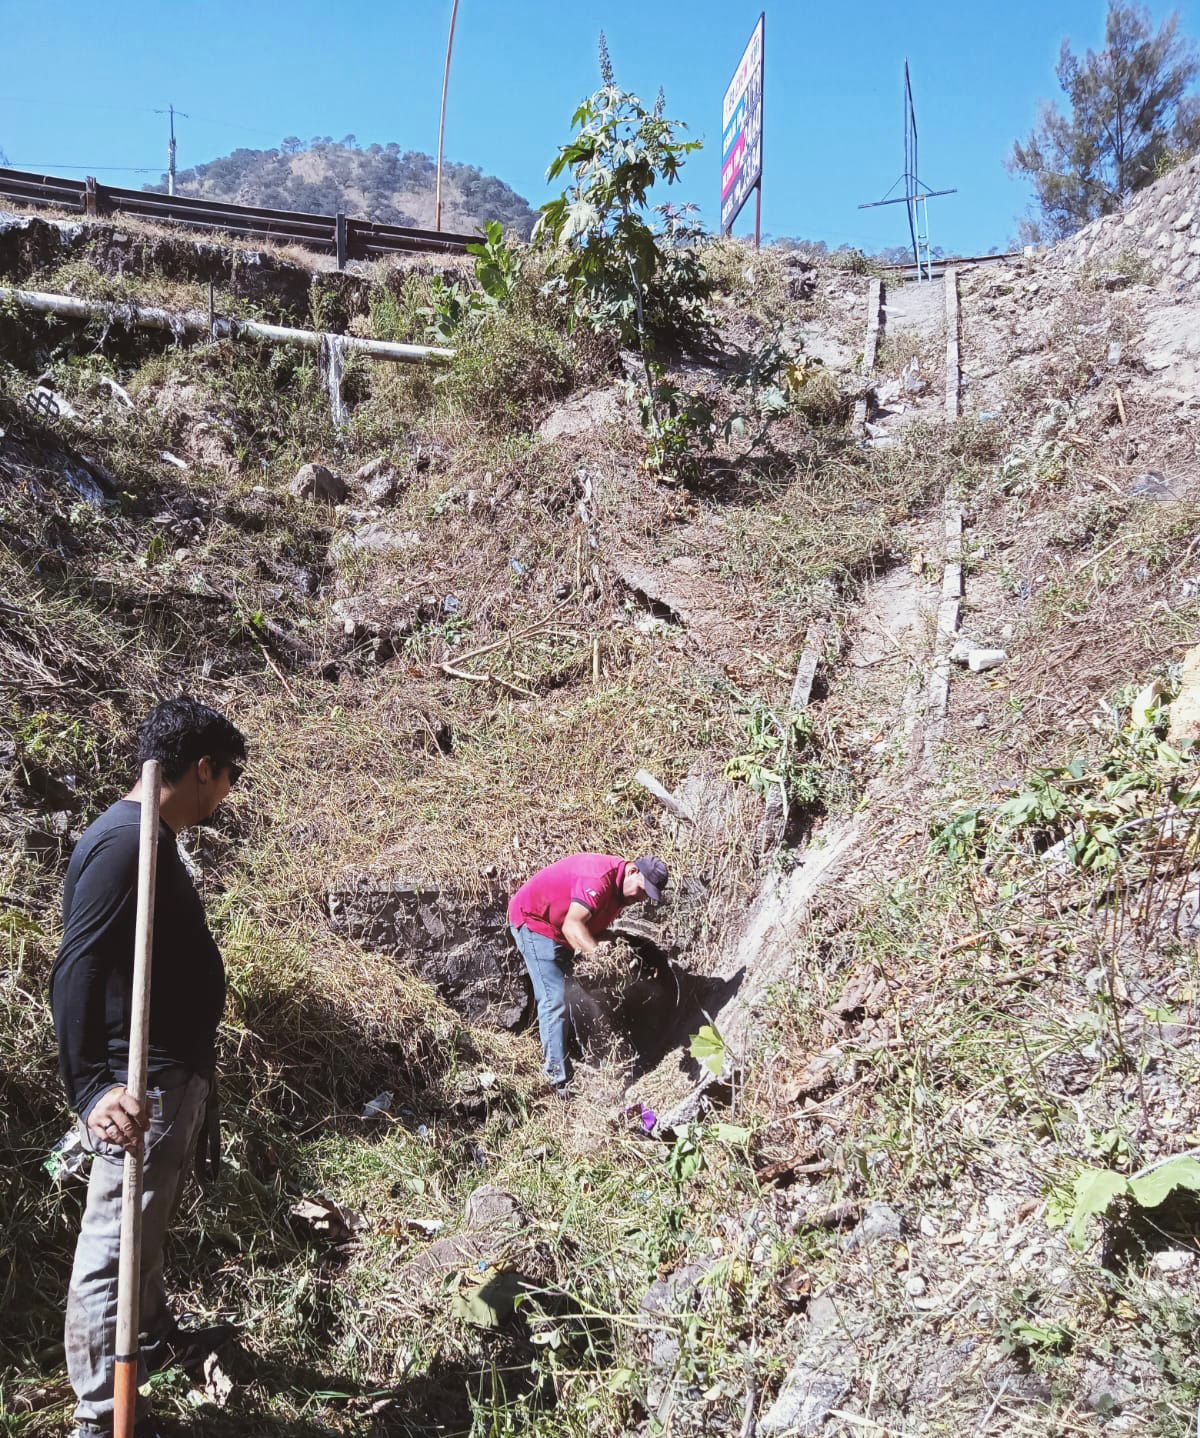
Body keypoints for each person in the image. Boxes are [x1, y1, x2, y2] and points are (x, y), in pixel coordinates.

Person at [50, 698, 247, 1438]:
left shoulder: (148, 839)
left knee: (145, 1222)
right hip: (145, 1082)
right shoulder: (128, 843)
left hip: (169, 1069)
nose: (224, 797)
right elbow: (76, 968)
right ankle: (100, 1414)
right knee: (115, 1240)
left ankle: (154, 1336)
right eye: (227, 779)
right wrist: (93, 1086)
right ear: (202, 769)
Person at [507, 853, 669, 1093]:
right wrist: (598, 955)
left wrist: (606, 940)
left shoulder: (621, 893)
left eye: (646, 896)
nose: (641, 898)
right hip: (535, 921)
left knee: (579, 994)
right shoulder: (598, 879)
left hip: (559, 928)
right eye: (642, 890)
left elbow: (588, 922)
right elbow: (572, 925)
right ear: (634, 871)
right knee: (554, 998)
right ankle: (557, 1081)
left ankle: (585, 1058)